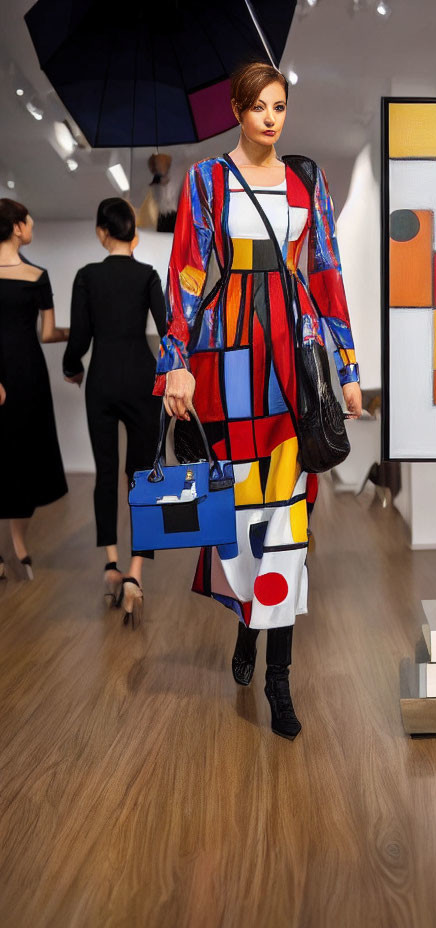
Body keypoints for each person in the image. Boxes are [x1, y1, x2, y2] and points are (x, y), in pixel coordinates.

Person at [154, 62, 362, 739]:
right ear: (238, 110)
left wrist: (349, 365)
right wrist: (175, 363)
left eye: (280, 105)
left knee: (292, 516)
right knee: (241, 514)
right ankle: (249, 623)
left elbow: (325, 271)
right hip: (229, 362)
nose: (271, 117)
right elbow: (185, 273)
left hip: (293, 362)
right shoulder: (208, 181)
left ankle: (279, 676)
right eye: (259, 106)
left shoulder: (306, 183)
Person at [63, 198, 166, 625]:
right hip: (143, 381)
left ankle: (111, 565)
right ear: (133, 235)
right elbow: (166, 331)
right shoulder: (147, 275)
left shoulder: (87, 277)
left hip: (102, 379)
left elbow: (80, 339)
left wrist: (72, 367)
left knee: (106, 473)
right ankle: (136, 576)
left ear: (103, 232)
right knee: (141, 477)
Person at [0, 198, 68, 580]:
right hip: (8, 371)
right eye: (29, 222)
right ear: (16, 227)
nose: (32, 227)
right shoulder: (37, 275)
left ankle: (20, 546)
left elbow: (46, 333)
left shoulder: (38, 274)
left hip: (28, 374)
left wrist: (83, 333)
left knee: (23, 455)